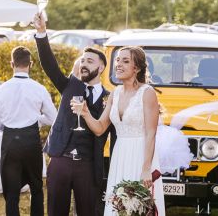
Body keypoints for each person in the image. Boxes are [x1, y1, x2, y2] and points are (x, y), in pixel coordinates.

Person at [33, 13, 116, 216]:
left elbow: (114, 136)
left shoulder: (110, 98)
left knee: (88, 212)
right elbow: (49, 65)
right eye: (83, 61)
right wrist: (42, 33)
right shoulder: (70, 85)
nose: (84, 64)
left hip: (88, 165)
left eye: (90, 61)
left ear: (101, 67)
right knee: (55, 212)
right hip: (60, 158)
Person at [71, 46, 165, 215]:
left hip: (140, 154)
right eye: (117, 60)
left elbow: (151, 134)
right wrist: (85, 113)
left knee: (139, 208)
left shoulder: (147, 93)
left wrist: (146, 168)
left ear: (136, 68)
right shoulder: (115, 93)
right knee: (118, 206)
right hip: (120, 155)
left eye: (125, 61)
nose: (118, 64)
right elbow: (100, 129)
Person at [0, 46, 57, 216]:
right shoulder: (39, 88)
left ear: (12, 63)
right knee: (36, 189)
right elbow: (53, 118)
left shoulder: (0, 90)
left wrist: (8, 123)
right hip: (31, 141)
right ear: (30, 64)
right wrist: (36, 120)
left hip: (10, 142)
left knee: (11, 193)